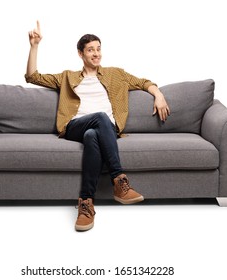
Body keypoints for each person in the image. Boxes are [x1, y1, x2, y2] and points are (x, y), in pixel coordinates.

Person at [25, 21, 170, 231]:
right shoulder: (67, 77)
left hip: (105, 129)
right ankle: (119, 182)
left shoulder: (116, 74)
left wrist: (159, 95)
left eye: (98, 49)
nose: (96, 54)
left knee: (93, 134)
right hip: (74, 126)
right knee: (100, 118)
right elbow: (32, 77)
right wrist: (34, 46)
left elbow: (143, 82)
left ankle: (86, 203)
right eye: (91, 50)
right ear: (80, 54)